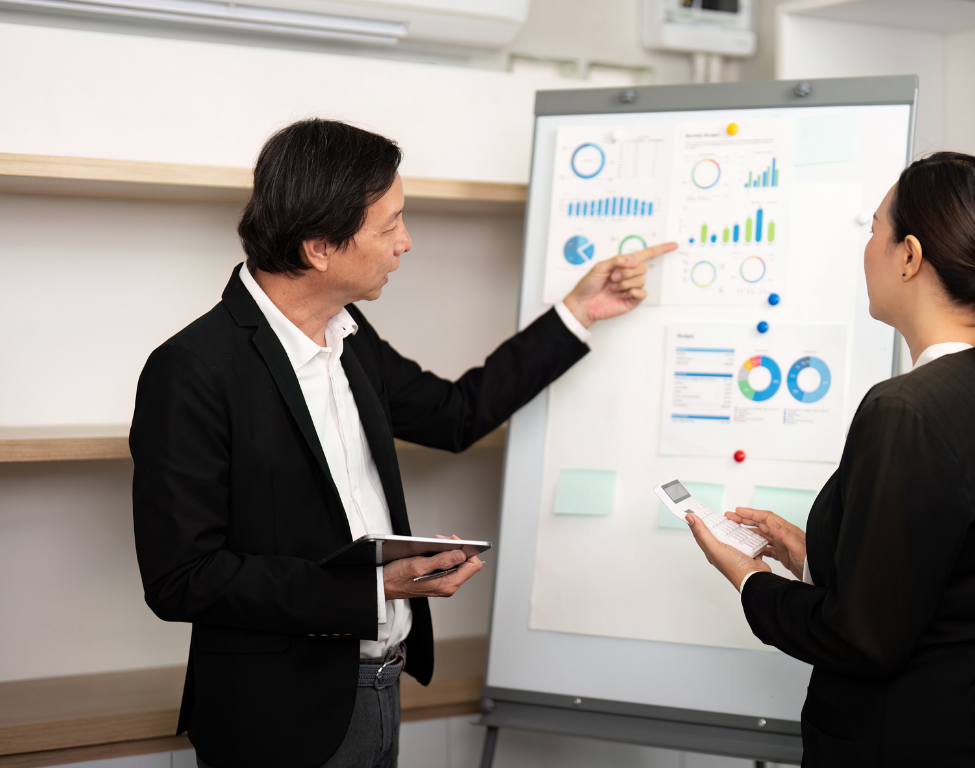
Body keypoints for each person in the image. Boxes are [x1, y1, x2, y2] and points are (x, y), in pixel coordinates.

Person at [131, 118, 675, 768]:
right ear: (319, 248)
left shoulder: (348, 332)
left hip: (381, 685)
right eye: (389, 227)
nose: (405, 244)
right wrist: (376, 588)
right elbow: (183, 580)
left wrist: (579, 312)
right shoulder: (192, 370)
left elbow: (456, 414)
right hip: (279, 719)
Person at [685, 152, 975, 766]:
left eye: (873, 230)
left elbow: (863, 640)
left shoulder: (906, 410)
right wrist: (812, 559)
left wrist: (748, 578)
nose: (866, 249)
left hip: (915, 743)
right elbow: (953, 582)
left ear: (910, 255)